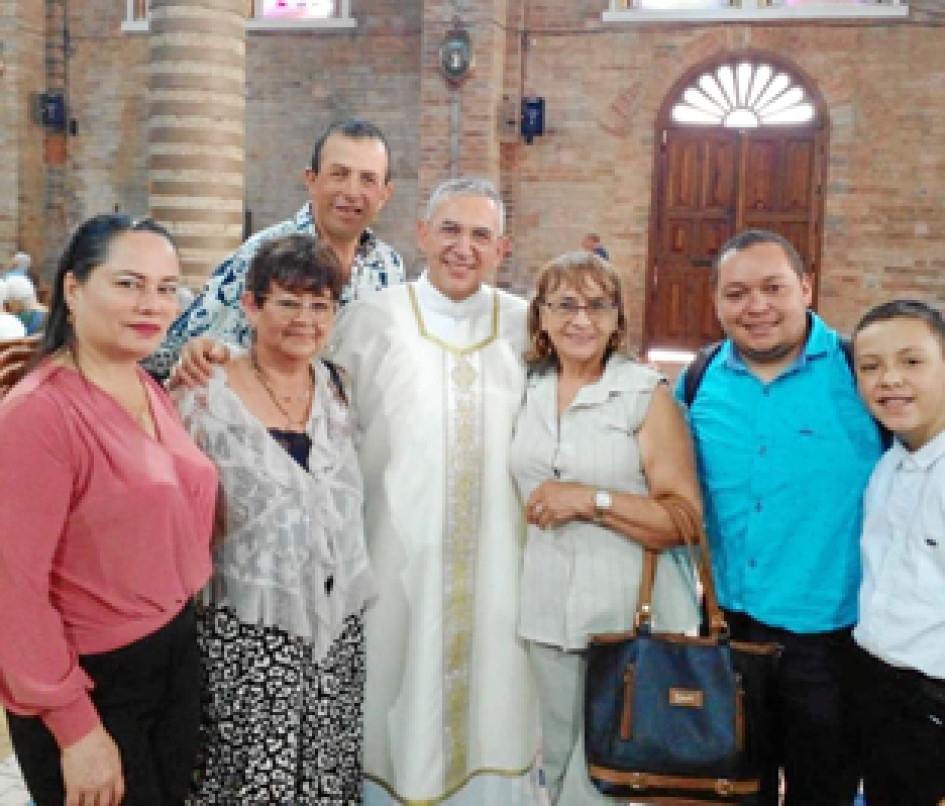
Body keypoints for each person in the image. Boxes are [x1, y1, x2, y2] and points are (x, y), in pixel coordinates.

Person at [0, 214, 218, 805]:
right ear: (73, 290)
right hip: (92, 679)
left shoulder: (143, 382)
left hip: (170, 654)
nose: (151, 303)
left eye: (166, 287)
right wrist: (76, 729)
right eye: (128, 283)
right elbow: (13, 592)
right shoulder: (38, 415)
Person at [675, 229, 884, 805]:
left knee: (825, 790)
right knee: (737, 790)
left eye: (773, 288)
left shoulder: (860, 372)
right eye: (737, 293)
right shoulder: (697, 382)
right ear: (717, 302)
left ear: (806, 288)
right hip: (728, 633)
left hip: (833, 639)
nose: (756, 307)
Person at [175, 234, 374, 803]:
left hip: (334, 638)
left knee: (324, 782)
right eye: (288, 302)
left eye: (320, 305)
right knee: (244, 784)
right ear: (252, 306)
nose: (305, 319)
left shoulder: (339, 389)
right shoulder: (203, 391)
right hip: (244, 636)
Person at [510, 251, 701, 804]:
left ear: (618, 319)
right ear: (541, 316)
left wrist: (589, 500)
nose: (581, 319)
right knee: (561, 769)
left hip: (632, 621)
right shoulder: (526, 386)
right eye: (565, 304)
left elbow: (684, 520)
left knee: (614, 784)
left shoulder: (644, 393)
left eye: (598, 305)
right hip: (547, 615)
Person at [145, 117, 405, 378]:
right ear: (311, 180)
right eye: (339, 175)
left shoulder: (389, 267)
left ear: (385, 194)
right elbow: (174, 353)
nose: (351, 191)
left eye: (368, 179)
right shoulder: (262, 254)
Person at [850, 299, 945, 805]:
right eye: (871, 367)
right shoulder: (887, 466)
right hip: (880, 686)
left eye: (912, 362)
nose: (889, 379)